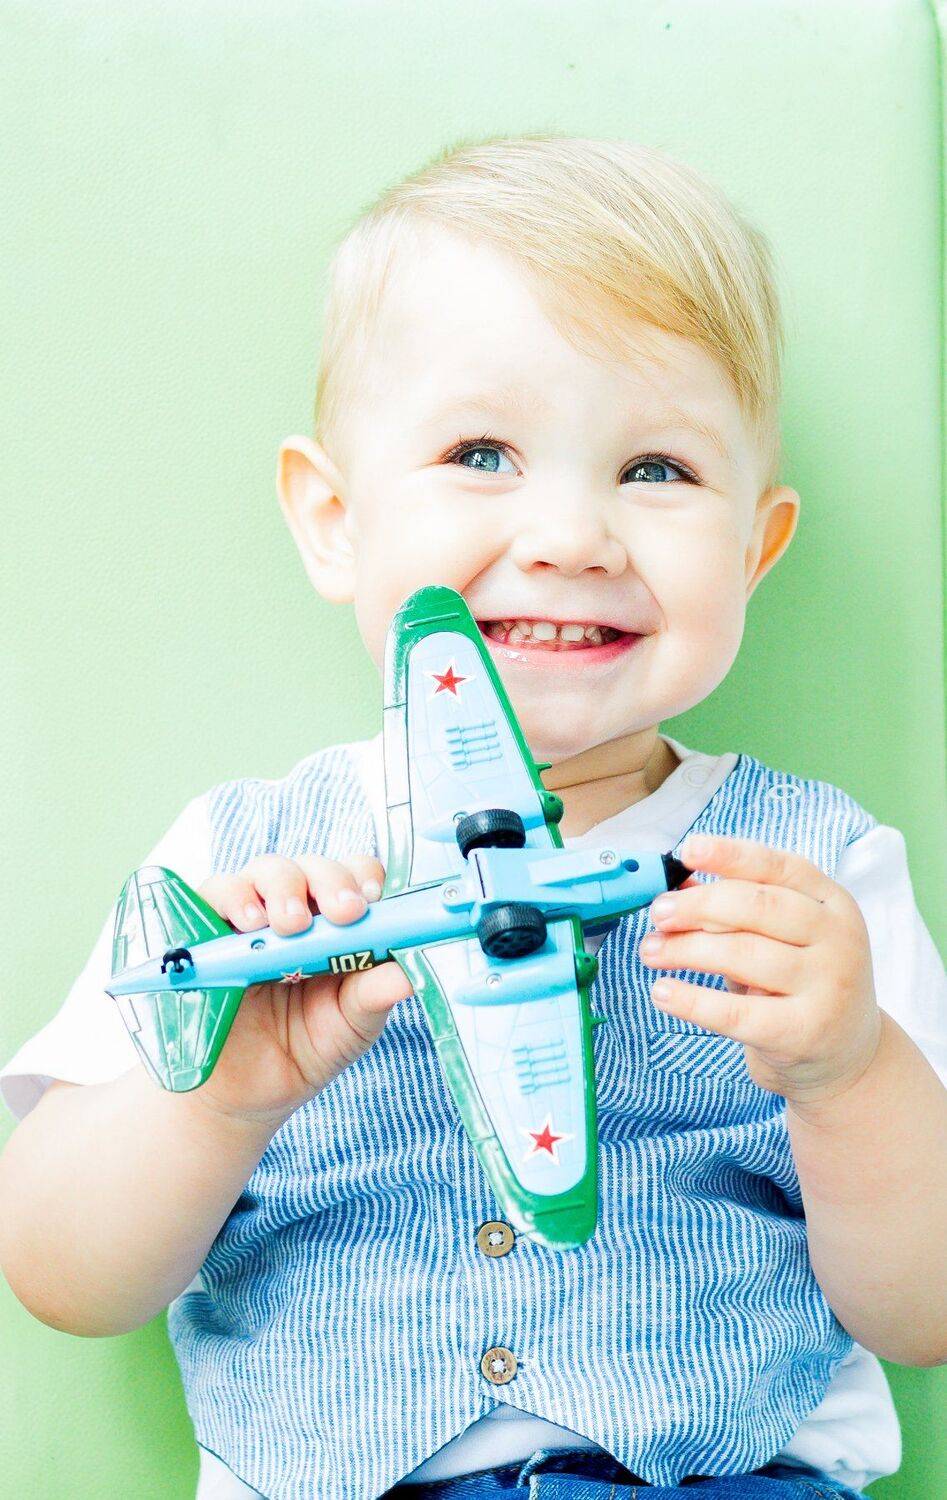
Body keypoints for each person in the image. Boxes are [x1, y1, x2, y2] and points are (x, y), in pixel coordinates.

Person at [0, 134, 945, 1500]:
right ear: (335, 519)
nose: (571, 536)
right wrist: (215, 1104)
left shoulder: (820, 875)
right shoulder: (236, 858)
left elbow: (927, 1315)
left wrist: (851, 1074)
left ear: (754, 549)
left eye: (658, 470)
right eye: (481, 452)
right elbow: (58, 1273)